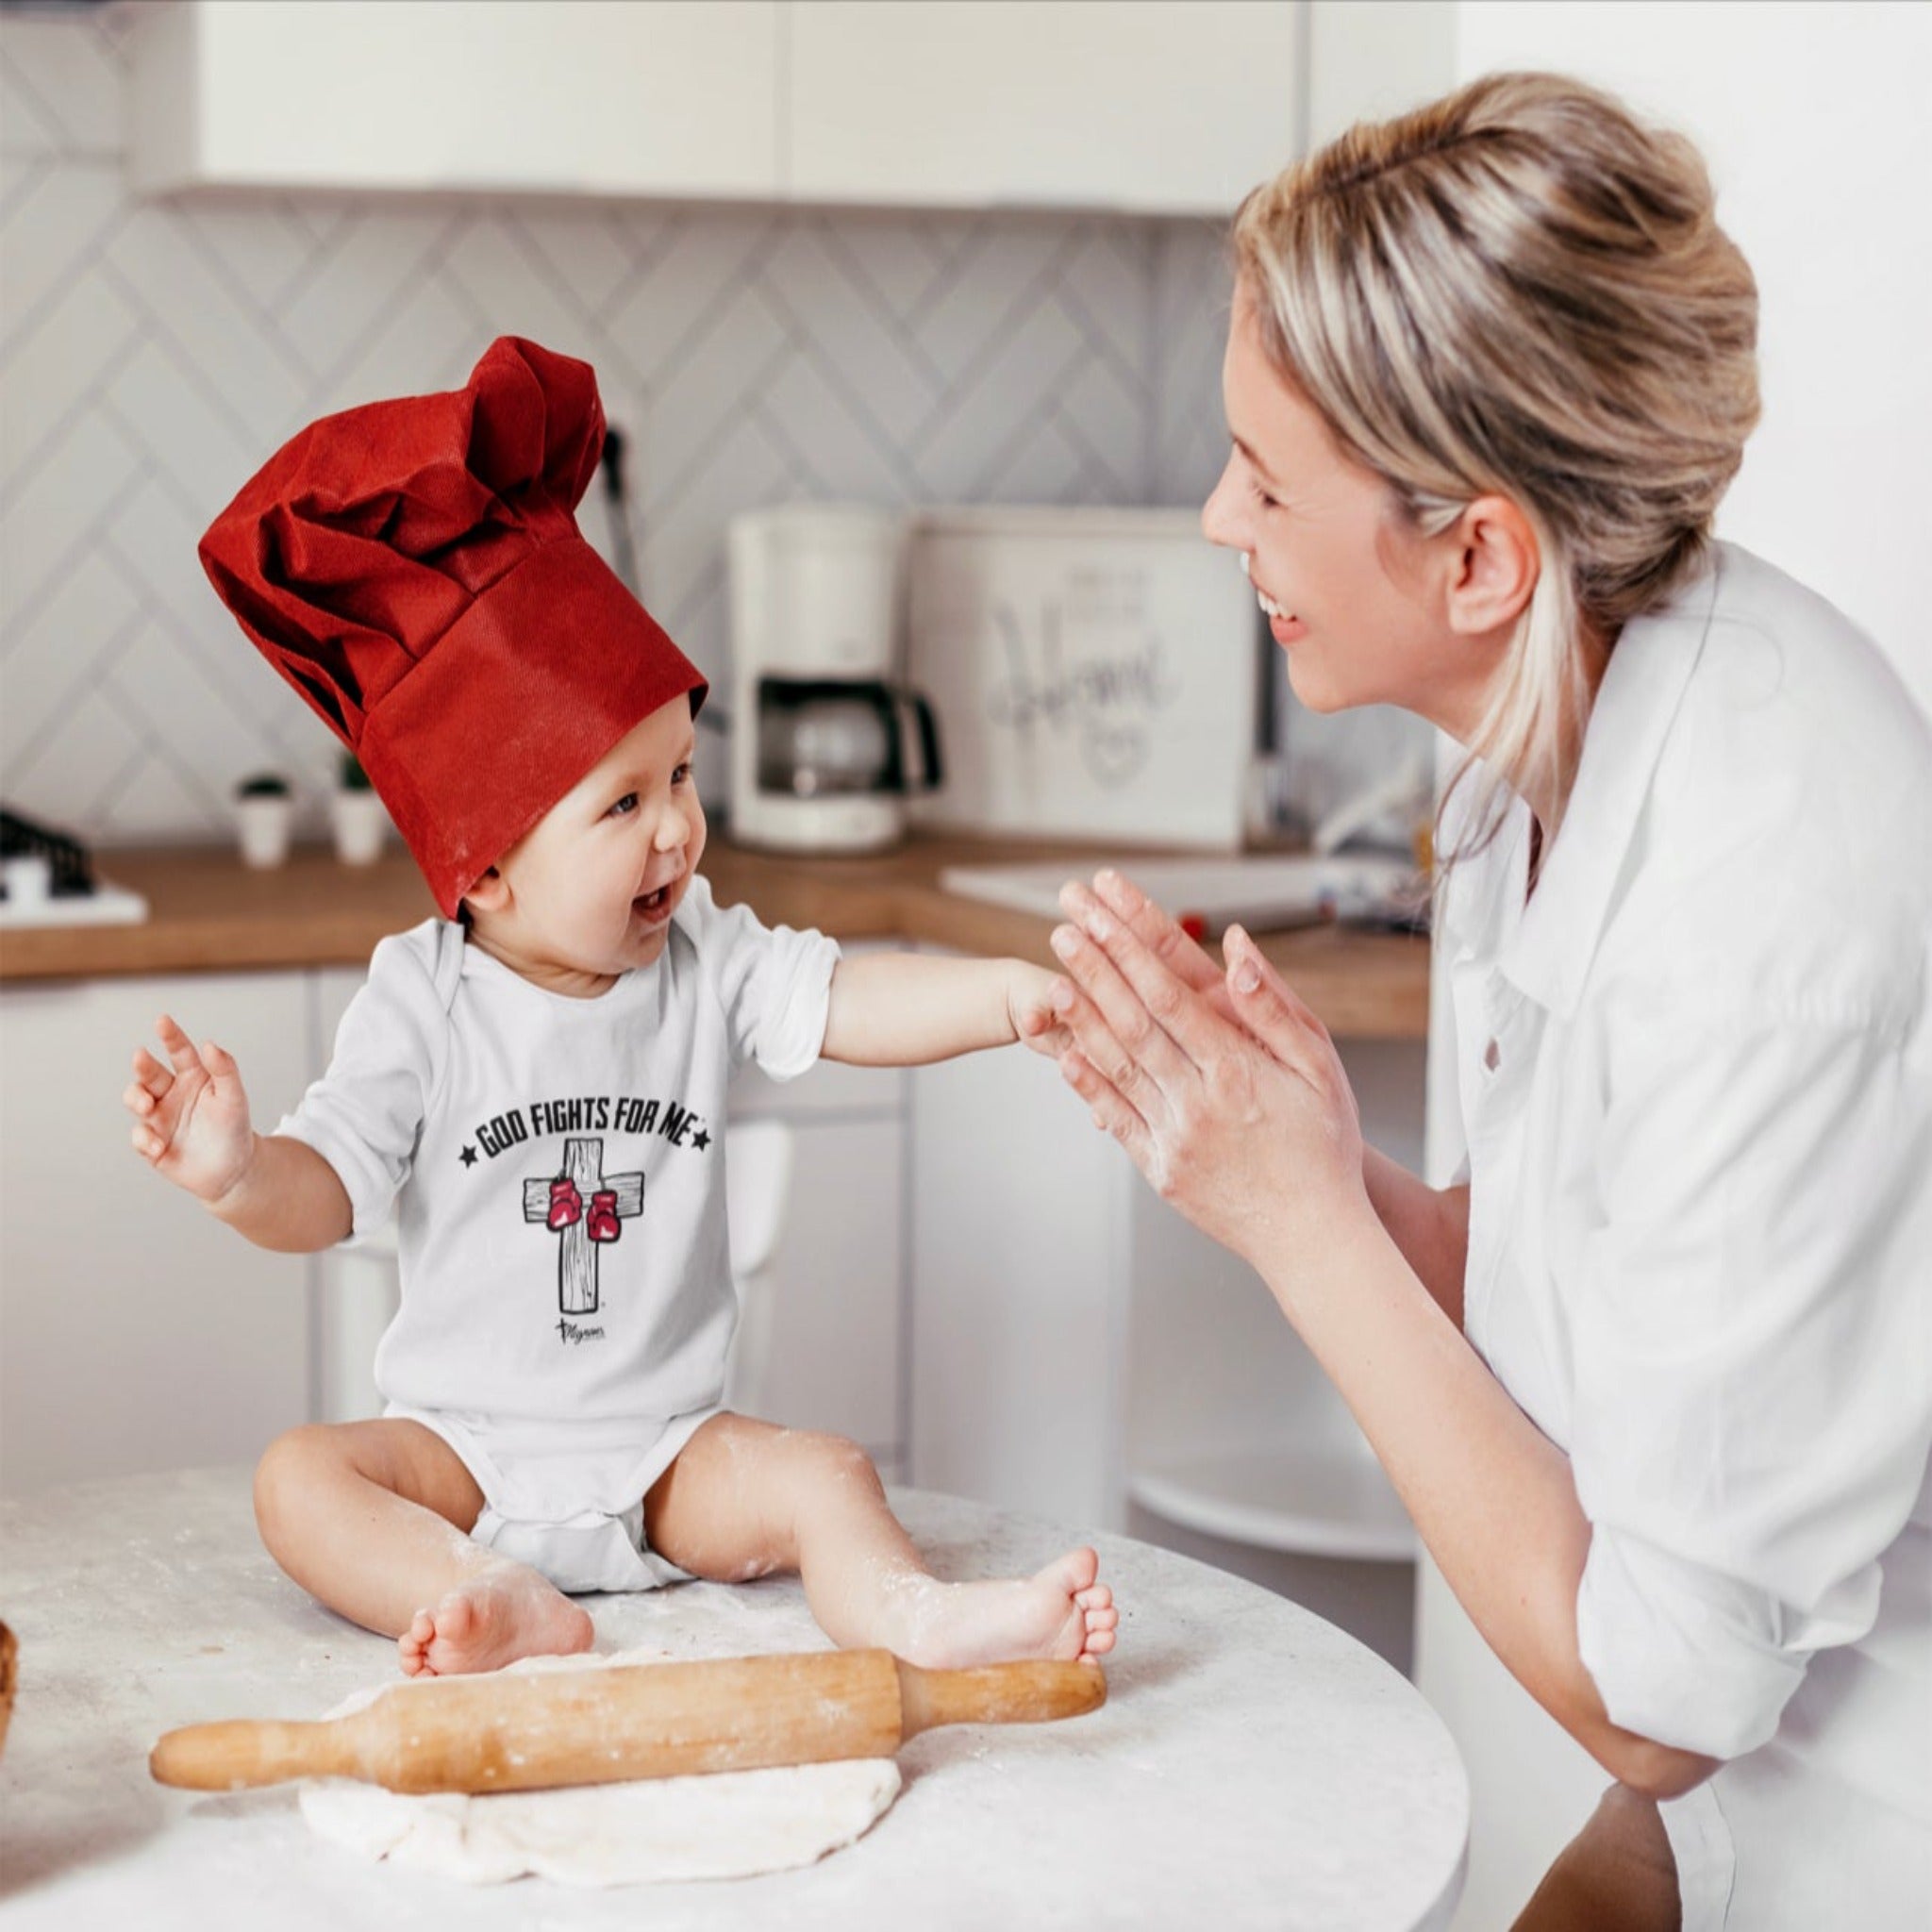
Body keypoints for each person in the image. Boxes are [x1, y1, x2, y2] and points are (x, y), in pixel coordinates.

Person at [1039, 73, 1929, 1932]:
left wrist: (1300, 1234)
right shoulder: (1549, 738)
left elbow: (1665, 1689)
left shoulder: (1760, 904)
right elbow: (1565, 1309)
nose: (1218, 519)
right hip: (1700, 1816)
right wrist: (1307, 1158)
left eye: (1268, 479)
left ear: (1476, 555)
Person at [125, 337, 1116, 1683]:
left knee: (824, 1471)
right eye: (624, 805)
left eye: (682, 776)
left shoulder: (705, 957)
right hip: (461, 1457)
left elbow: (852, 995)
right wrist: (236, 1172)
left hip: (666, 1457)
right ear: (482, 868)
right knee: (299, 1478)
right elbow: (328, 1195)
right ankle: (486, 1593)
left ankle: (921, 1619)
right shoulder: (421, 999)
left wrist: (1009, 992)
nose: (679, 834)